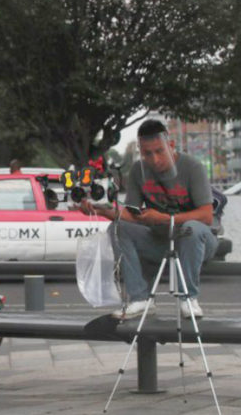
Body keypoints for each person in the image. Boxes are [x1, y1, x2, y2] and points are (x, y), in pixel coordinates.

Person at [80, 119, 218, 320]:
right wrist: (100, 210)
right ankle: (140, 298)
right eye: (147, 153)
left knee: (191, 229)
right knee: (118, 228)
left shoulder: (192, 167)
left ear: (170, 145)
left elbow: (206, 215)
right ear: (140, 150)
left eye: (159, 151)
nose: (154, 159)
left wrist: (165, 218)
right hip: (160, 240)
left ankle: (188, 298)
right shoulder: (138, 170)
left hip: (197, 241)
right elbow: (130, 215)